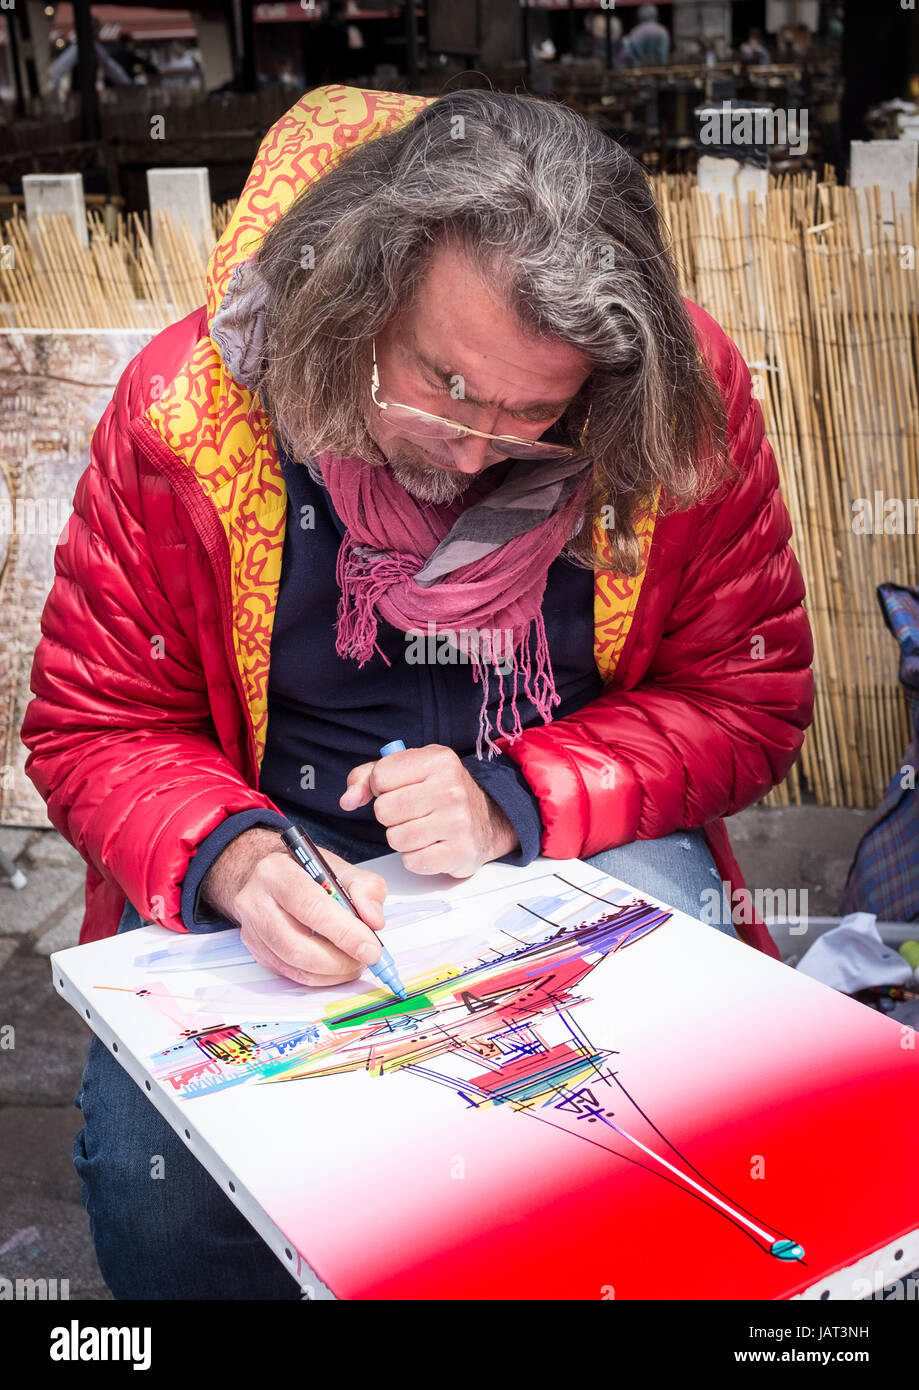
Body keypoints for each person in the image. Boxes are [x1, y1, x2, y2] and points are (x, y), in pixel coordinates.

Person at [22, 85, 813, 1299]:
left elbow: (746, 696)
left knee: (669, 1105)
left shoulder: (674, 403)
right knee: (157, 1180)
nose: (471, 448)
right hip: (271, 857)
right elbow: (98, 721)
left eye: (533, 415)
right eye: (441, 381)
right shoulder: (193, 409)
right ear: (360, 299)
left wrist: (516, 795)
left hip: (569, 835)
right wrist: (234, 859)